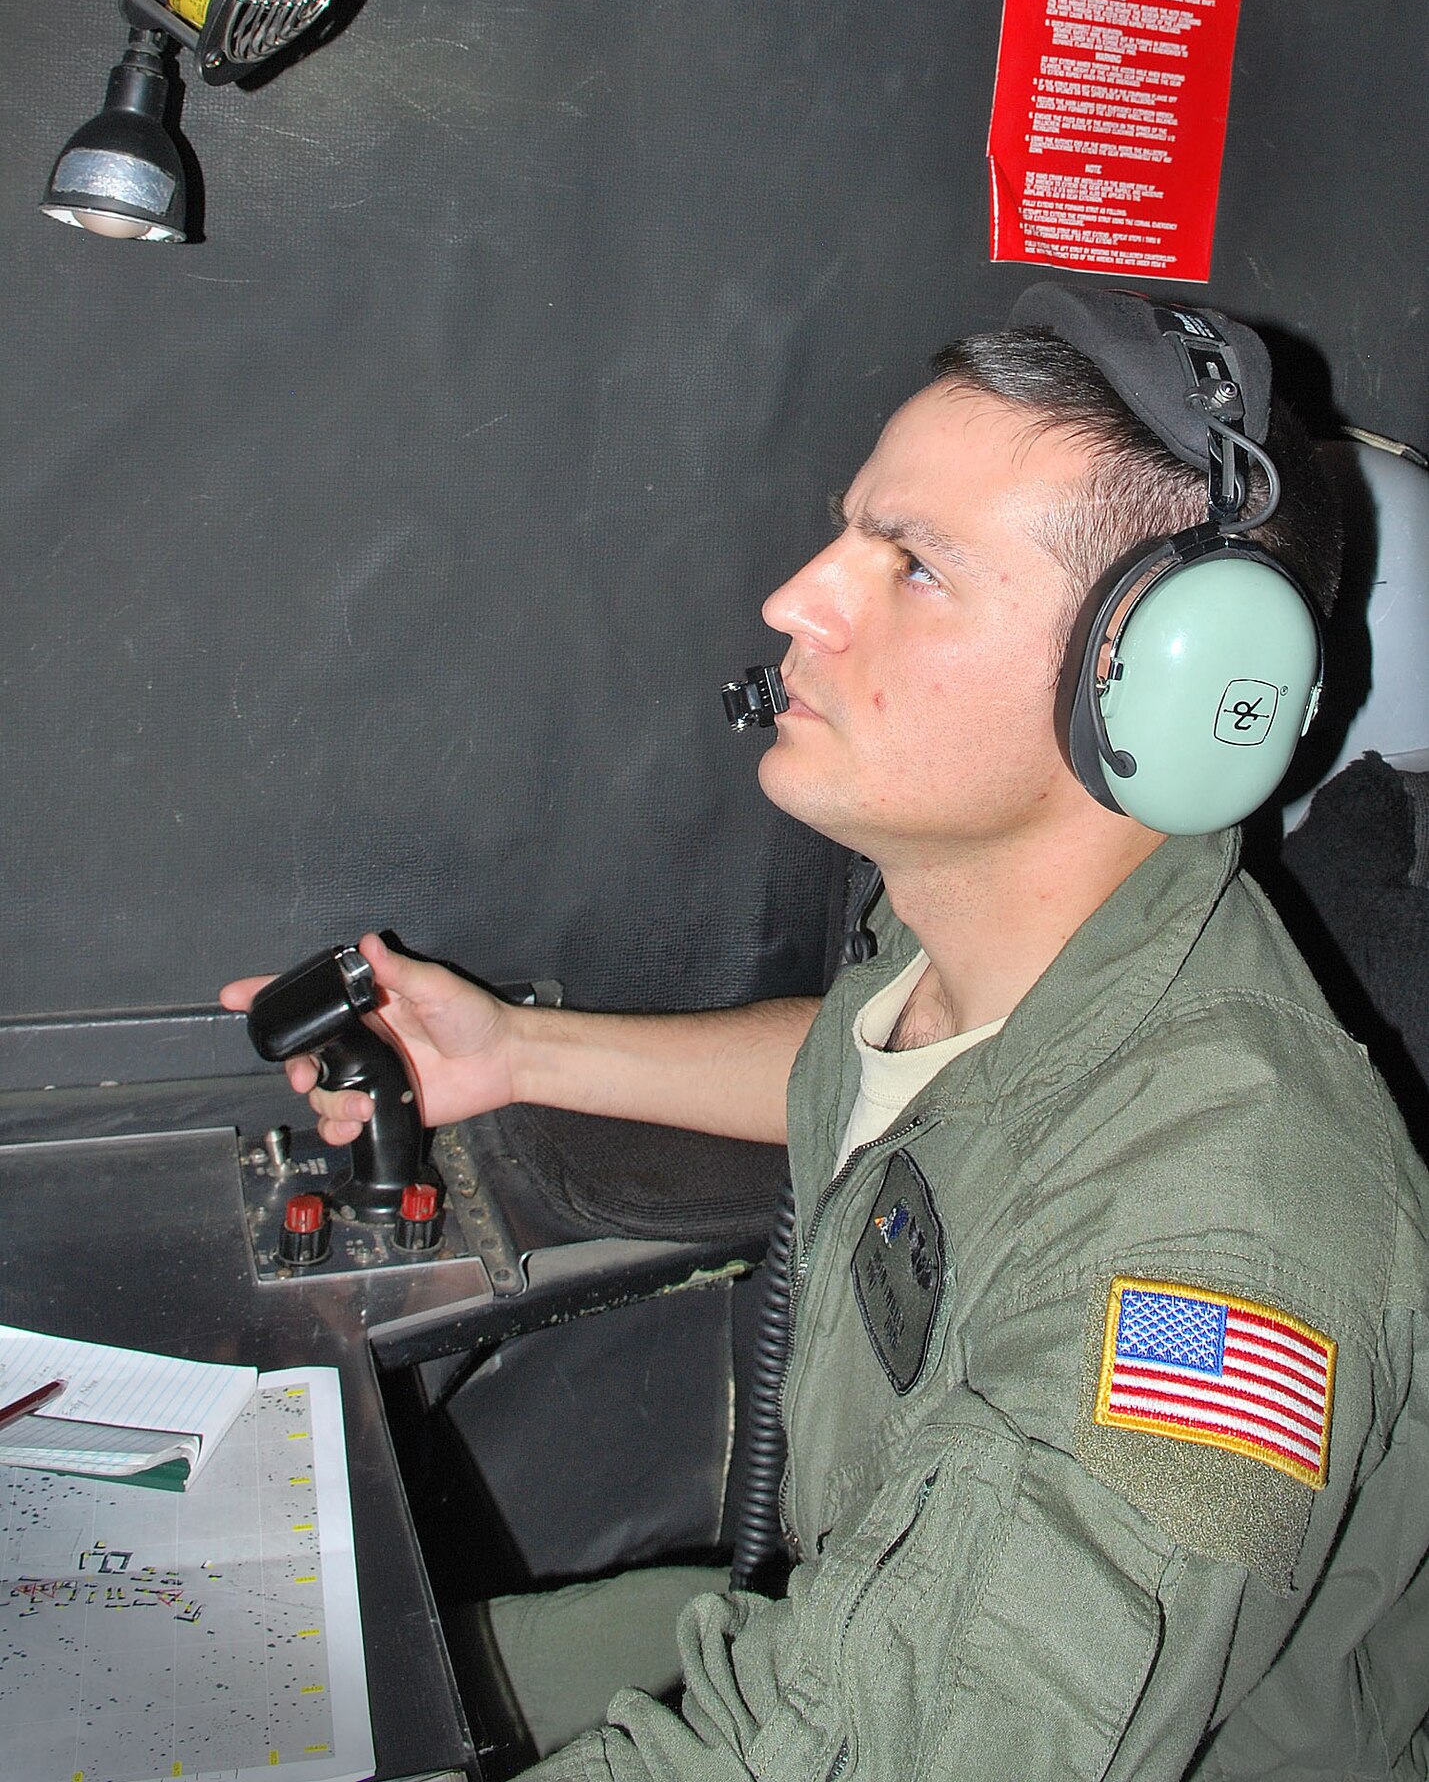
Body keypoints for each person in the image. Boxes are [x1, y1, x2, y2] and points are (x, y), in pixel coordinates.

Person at [223, 285, 1429, 1780]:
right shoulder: (986, 940)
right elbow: (879, 1060)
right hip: (847, 1619)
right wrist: (517, 1056)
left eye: (912, 566)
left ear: (1168, 696)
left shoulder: (1218, 1249)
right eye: (850, 530)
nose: (800, 596)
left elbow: (895, 1745)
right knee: (262, 1676)